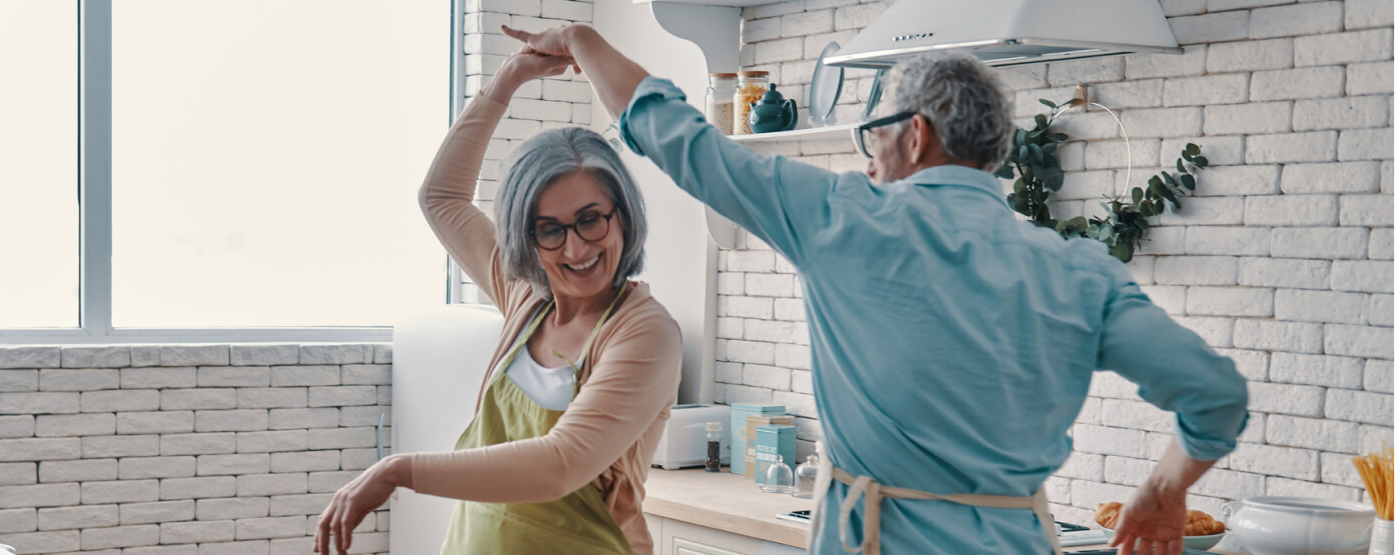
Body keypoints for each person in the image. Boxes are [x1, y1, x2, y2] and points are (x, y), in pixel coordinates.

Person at [502, 24, 1250, 555]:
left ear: (915, 134)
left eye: (874, 134)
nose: (867, 158)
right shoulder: (1078, 271)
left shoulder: (841, 217)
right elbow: (1216, 395)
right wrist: (1163, 488)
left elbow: (678, 138)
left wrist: (580, 40)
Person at [312, 47, 683, 555]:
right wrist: (507, 78)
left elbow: (560, 464)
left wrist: (400, 470)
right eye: (550, 230)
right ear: (525, 238)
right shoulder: (526, 299)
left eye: (591, 218)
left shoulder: (644, 332)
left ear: (622, 215)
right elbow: (440, 197)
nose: (576, 248)